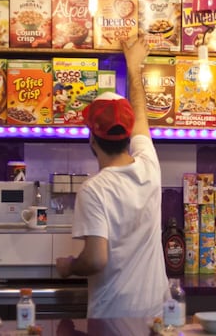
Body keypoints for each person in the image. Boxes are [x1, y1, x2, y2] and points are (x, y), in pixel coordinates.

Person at [56, 36, 170, 319]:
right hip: (157, 314)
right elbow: (142, 115)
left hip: (113, 316)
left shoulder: (94, 190)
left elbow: (96, 259)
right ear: (128, 135)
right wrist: (134, 66)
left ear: (92, 138)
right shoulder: (149, 166)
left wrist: (69, 266)